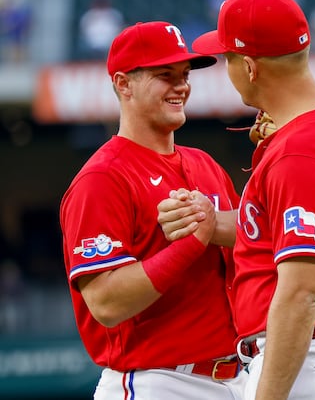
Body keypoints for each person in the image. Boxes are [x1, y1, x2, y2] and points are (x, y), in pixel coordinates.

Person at [160, 0, 315, 400]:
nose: (226, 69)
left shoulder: (302, 151)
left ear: (249, 67)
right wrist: (211, 223)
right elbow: (276, 231)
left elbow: (301, 293)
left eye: (229, 58)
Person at [60, 21, 245, 400]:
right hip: (156, 381)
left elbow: (248, 250)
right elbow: (106, 303)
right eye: (165, 75)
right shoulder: (103, 177)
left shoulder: (206, 165)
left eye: (184, 74)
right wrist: (190, 244)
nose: (182, 86)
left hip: (235, 376)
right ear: (124, 84)